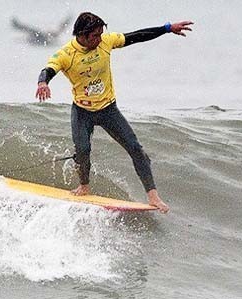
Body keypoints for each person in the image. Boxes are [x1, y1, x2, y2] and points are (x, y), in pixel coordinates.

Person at [35, 12, 193, 213]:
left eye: (101, 34)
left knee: (135, 148)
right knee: (82, 150)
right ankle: (84, 186)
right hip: (82, 111)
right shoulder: (66, 54)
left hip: (108, 109)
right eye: (95, 36)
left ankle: (153, 196)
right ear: (82, 35)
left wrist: (167, 28)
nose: (99, 39)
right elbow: (49, 69)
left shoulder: (106, 42)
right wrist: (42, 82)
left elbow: (137, 36)